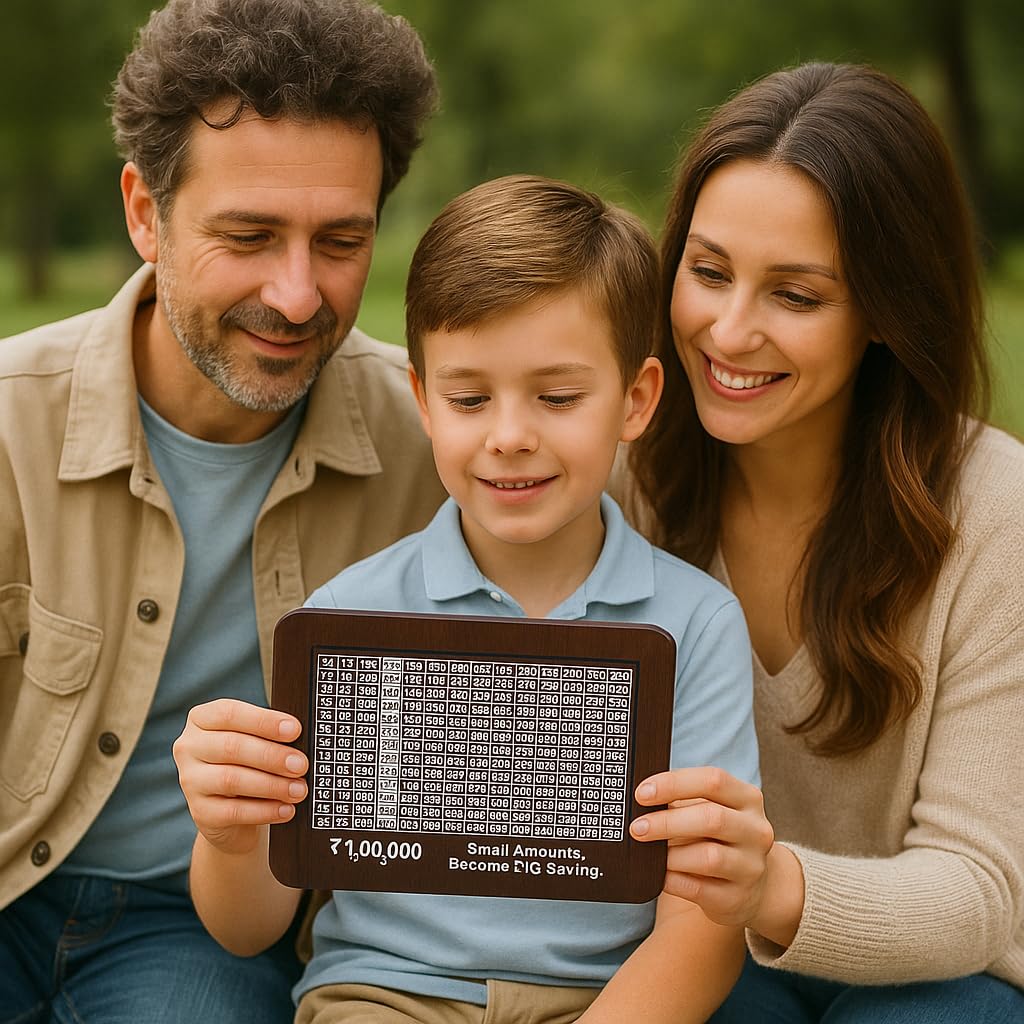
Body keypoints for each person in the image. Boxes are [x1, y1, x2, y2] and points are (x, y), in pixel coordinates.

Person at [173, 174, 762, 1023]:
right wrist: (230, 834)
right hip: (382, 994)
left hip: (603, 1002)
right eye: (468, 398)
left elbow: (701, 923)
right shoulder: (350, 619)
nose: (510, 434)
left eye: (557, 397)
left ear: (635, 400)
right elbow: (248, 927)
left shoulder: (695, 625)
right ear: (422, 400)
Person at [0, 1, 448, 1020]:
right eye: (248, 237)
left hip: (203, 933)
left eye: (341, 240)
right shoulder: (7, 423)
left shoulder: (446, 449)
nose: (297, 297)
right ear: (144, 213)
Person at [619, 61, 1024, 1021]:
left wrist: (771, 887)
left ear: (886, 312)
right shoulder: (620, 478)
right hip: (700, 950)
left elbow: (979, 888)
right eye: (708, 271)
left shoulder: (997, 512)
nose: (728, 329)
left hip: (942, 977)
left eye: (795, 296)